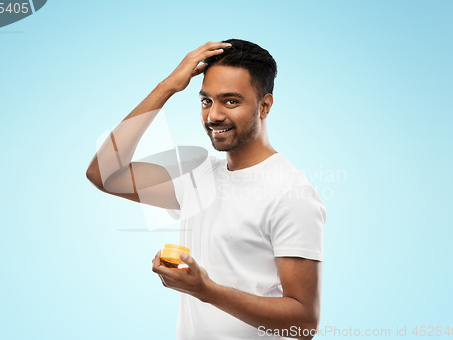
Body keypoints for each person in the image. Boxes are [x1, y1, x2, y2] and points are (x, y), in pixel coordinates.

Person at [86, 39, 326, 340]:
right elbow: (104, 174)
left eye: (231, 101)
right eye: (206, 101)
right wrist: (166, 88)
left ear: (264, 106)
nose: (213, 116)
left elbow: (303, 324)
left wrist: (205, 291)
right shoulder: (198, 176)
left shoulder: (291, 194)